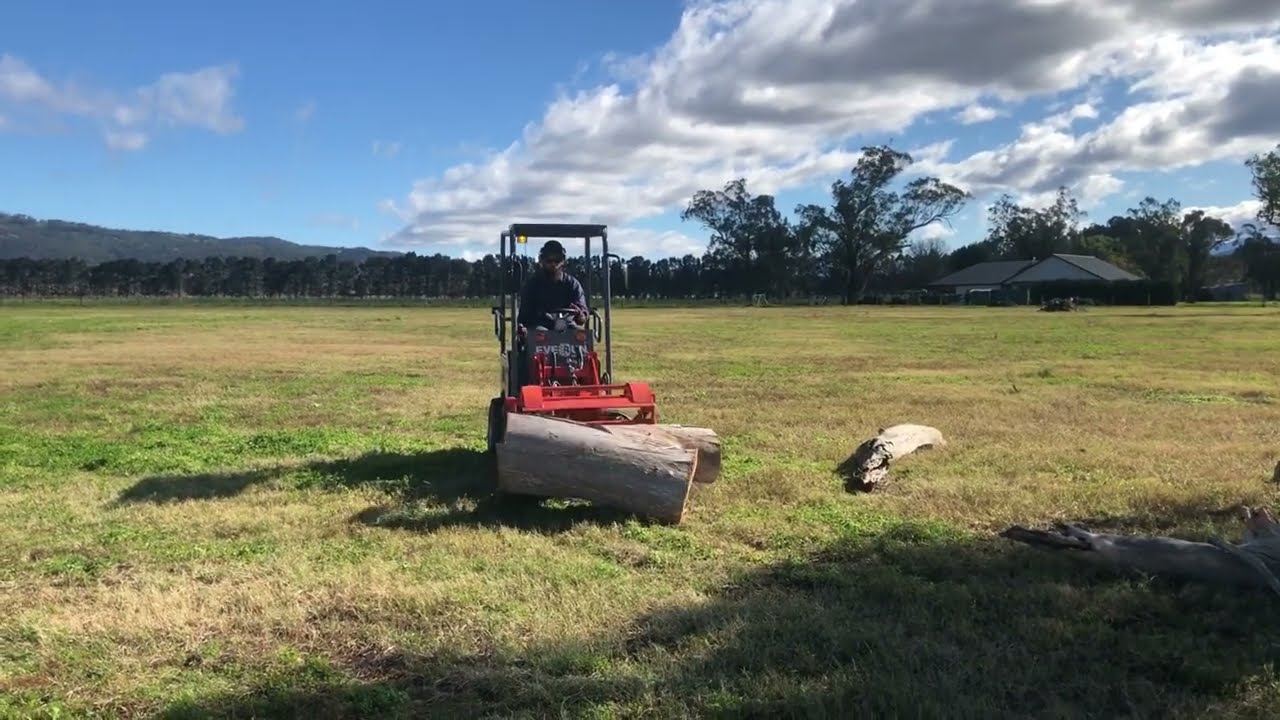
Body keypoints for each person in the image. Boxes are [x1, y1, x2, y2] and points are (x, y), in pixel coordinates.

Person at [517, 240, 588, 331]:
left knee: (580, 335)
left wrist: (581, 316)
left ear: (563, 261)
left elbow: (582, 312)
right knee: (540, 334)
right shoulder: (533, 284)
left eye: (557, 260)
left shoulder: (572, 284)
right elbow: (524, 314)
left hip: (566, 324)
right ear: (542, 261)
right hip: (539, 324)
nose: (553, 264)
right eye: (549, 260)